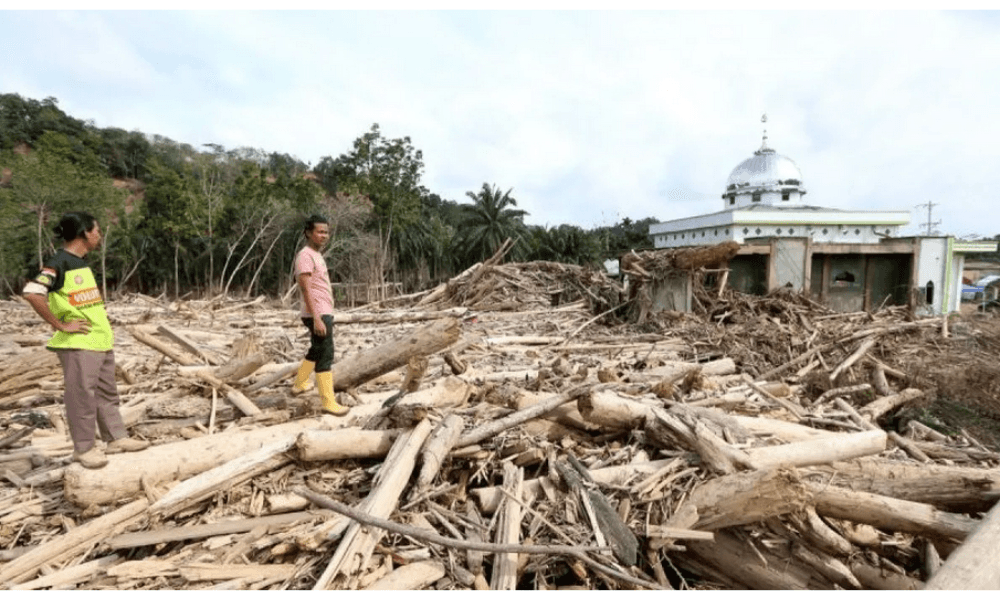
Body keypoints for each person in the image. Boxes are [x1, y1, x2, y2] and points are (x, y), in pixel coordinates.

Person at [22, 212, 149, 469]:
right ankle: (84, 449)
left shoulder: (81, 262)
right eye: (97, 230)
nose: (100, 235)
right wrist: (59, 324)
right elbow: (33, 292)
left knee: (106, 394)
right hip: (79, 343)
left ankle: (116, 438)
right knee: (81, 397)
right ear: (84, 233)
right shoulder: (59, 262)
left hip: (99, 340)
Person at [291, 214, 349, 416]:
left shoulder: (316, 255)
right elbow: (306, 288)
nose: (324, 235)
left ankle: (299, 383)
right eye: (320, 232)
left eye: (326, 232)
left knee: (317, 349)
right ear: (308, 233)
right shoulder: (305, 256)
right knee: (326, 354)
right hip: (317, 312)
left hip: (323, 310)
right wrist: (316, 317)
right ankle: (328, 401)